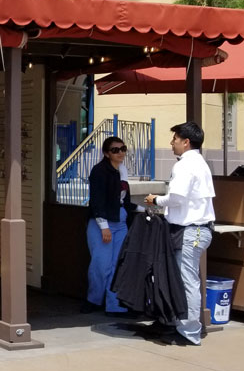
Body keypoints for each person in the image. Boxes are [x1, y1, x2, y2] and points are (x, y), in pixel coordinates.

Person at [145, 122, 215, 345]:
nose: (171, 143)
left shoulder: (186, 165)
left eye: (174, 139)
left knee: (186, 281)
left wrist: (155, 200)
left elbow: (177, 198)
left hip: (190, 231)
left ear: (186, 142)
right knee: (184, 279)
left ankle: (189, 331)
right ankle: (179, 323)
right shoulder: (199, 163)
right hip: (194, 230)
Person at [85, 136, 136, 315]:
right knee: (101, 264)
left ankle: (114, 305)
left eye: (123, 148)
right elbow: (97, 201)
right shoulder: (99, 171)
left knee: (117, 264)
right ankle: (94, 300)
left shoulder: (123, 170)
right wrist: (103, 226)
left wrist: (142, 208)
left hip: (120, 220)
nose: (120, 153)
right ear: (107, 153)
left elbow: (124, 199)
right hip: (102, 223)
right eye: (115, 150)